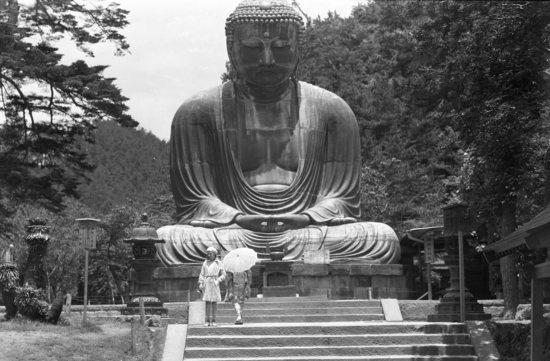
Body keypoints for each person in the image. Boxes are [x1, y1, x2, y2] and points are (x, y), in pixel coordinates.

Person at [157, 0, 400, 265]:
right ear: (231, 48)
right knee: (167, 240)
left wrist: (307, 217)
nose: (267, 59)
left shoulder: (333, 110)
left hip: (307, 230)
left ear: (299, 49)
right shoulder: (197, 112)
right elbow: (196, 202)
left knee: (381, 239)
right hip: (233, 231)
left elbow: (341, 199)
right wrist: (238, 218)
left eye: (281, 47)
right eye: (252, 48)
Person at [198, 247, 226, 326]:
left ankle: (214, 320)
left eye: (210, 253)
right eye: (208, 253)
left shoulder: (219, 263)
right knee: (207, 301)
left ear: (214, 254)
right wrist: (201, 282)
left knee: (214, 302)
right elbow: (202, 274)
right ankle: (207, 320)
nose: (208, 255)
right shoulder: (205, 262)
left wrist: (218, 280)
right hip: (207, 282)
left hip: (214, 282)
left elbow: (224, 274)